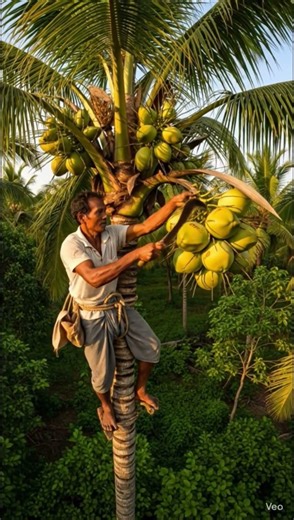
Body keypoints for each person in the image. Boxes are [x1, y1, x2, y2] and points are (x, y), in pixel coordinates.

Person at [60, 190, 190, 437]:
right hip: (91, 315)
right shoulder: (72, 245)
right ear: (81, 217)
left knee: (152, 347)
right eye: (99, 212)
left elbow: (145, 227)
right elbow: (94, 278)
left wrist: (174, 202)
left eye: (105, 210)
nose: (106, 216)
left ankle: (140, 390)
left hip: (116, 307)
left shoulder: (110, 234)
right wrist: (134, 255)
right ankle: (105, 406)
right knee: (102, 376)